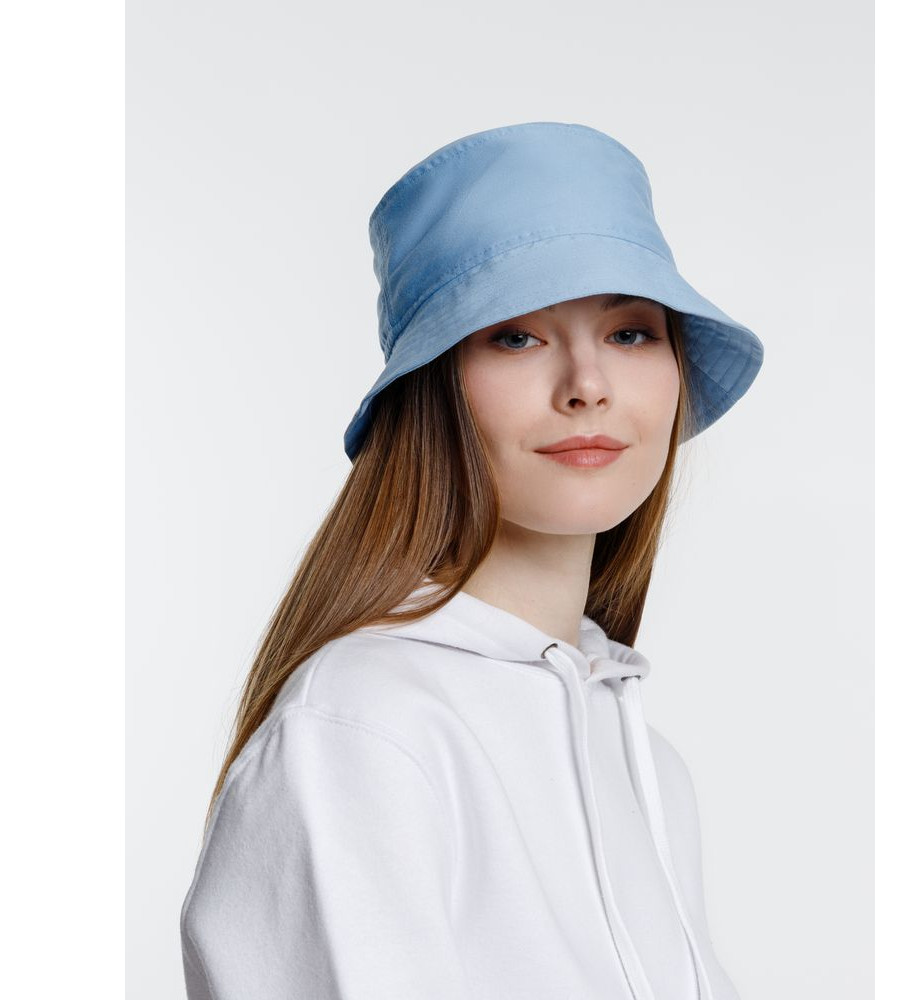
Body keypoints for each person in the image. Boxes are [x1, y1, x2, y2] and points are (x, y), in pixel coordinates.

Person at [178, 121, 764, 1000]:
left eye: (631, 333)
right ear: (435, 389)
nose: (588, 384)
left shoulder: (646, 763)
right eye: (516, 336)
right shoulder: (361, 731)